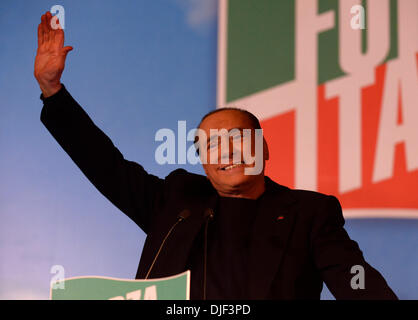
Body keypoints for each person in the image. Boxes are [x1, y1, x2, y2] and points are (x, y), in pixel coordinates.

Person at [34, 11, 397, 300]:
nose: (226, 151)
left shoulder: (309, 214)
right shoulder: (174, 200)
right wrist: (52, 90)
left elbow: (358, 284)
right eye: (211, 144)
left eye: (238, 137)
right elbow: (103, 163)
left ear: (264, 148)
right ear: (204, 162)